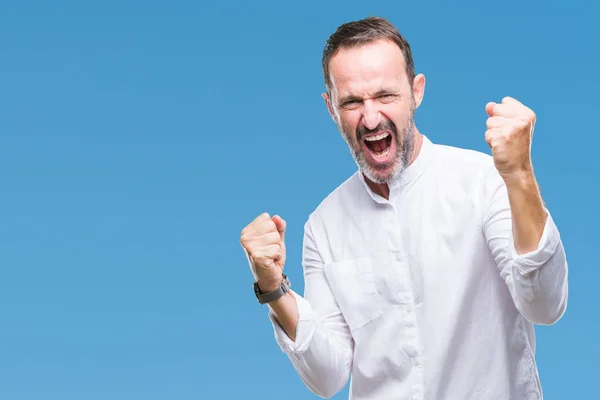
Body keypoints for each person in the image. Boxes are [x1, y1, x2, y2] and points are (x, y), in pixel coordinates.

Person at [239, 16, 568, 400]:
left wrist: (521, 176)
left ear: (417, 92)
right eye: (352, 102)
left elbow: (544, 305)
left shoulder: (484, 181)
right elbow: (327, 376)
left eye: (385, 96)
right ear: (331, 108)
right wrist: (272, 287)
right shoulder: (323, 226)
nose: (371, 117)